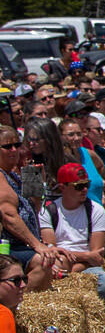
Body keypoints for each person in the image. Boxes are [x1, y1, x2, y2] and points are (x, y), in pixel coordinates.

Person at [41, 163, 105, 298]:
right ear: (63, 187)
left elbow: (97, 257)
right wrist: (86, 256)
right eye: (79, 186)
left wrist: (69, 272)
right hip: (59, 265)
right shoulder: (48, 211)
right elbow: (52, 251)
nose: (85, 190)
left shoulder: (96, 210)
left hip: (84, 268)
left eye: (87, 184)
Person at [1, 125, 56, 292]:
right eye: (7, 146)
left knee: (53, 256)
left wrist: (35, 185)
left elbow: (35, 210)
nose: (14, 150)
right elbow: (8, 215)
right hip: (6, 247)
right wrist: (37, 245)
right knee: (42, 261)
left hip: (22, 245)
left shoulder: (13, 175)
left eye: (17, 145)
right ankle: (16, 307)